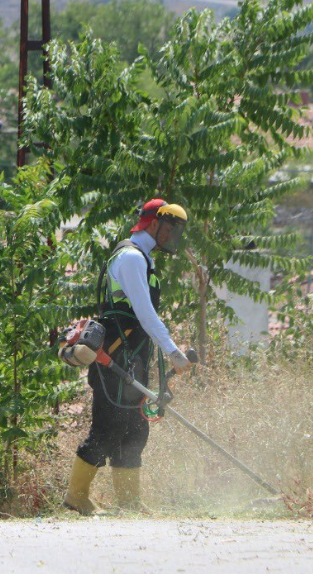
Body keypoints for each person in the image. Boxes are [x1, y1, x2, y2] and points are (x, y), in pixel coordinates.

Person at [66, 199, 192, 514]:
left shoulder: (142, 259)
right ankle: (76, 497)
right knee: (107, 428)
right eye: (170, 228)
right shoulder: (132, 259)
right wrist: (173, 352)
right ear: (153, 223)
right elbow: (146, 315)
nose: (172, 236)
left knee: (135, 429)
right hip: (115, 357)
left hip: (131, 355)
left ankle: (129, 504)